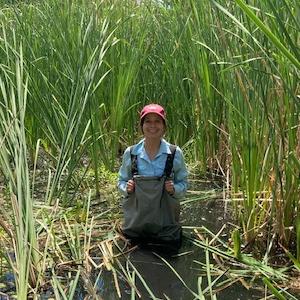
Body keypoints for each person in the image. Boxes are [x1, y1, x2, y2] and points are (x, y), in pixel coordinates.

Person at [117, 103, 188, 251]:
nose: (152, 126)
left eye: (157, 121)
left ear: (164, 125)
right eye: (148, 121)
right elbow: (121, 181)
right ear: (142, 125)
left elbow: (184, 184)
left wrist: (174, 189)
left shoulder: (175, 153)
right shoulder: (131, 153)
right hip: (135, 228)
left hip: (166, 229)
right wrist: (127, 189)